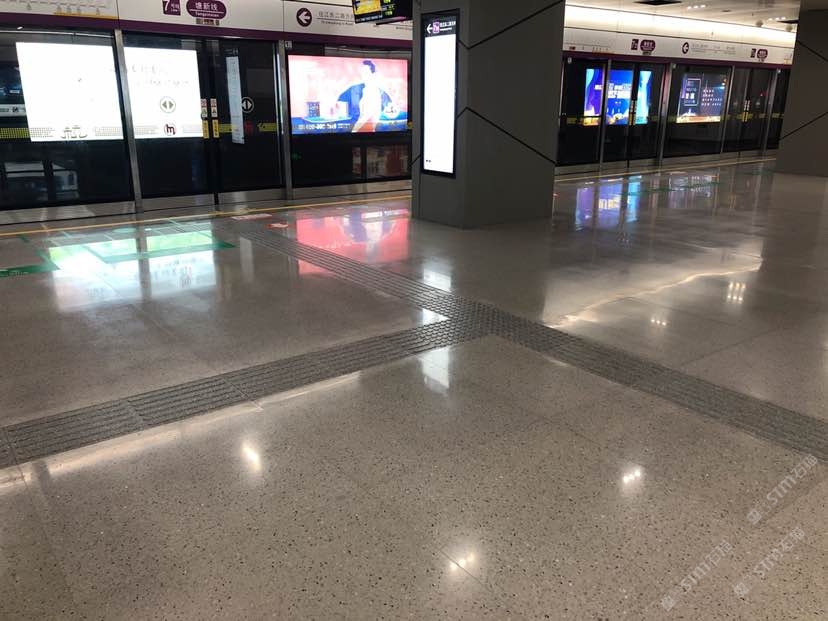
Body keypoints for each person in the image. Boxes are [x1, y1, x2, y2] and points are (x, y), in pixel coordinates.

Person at [338, 60, 394, 133]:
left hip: (366, 129)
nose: (363, 75)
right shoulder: (360, 89)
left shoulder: (374, 91)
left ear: (373, 74)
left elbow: (366, 116)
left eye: (366, 72)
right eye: (362, 72)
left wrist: (354, 130)